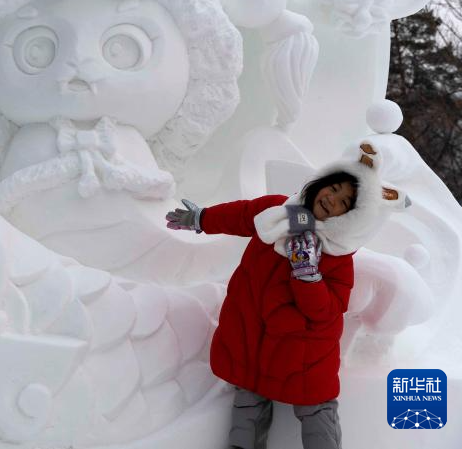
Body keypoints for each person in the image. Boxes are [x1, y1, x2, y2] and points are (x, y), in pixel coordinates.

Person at [165, 144, 396, 449]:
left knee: (316, 411)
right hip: (253, 336)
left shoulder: (338, 254)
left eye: (344, 202)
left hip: (303, 352)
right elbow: (241, 214)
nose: (332, 199)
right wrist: (201, 219)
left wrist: (308, 275)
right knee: (249, 400)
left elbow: (327, 310)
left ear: (350, 216)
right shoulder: (279, 211)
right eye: (333, 188)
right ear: (320, 183)